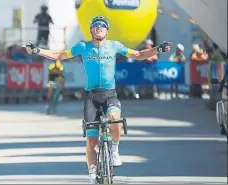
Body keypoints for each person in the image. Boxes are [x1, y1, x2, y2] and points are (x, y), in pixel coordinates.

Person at [24, 16, 171, 184]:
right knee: (91, 140)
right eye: (96, 25)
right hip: (91, 97)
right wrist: (38, 50)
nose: (99, 27)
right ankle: (92, 173)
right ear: (91, 30)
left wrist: (158, 49)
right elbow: (59, 54)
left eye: (103, 26)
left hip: (109, 94)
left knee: (115, 119)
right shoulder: (83, 47)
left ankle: (114, 150)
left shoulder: (115, 46)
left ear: (107, 30)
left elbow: (138, 54)